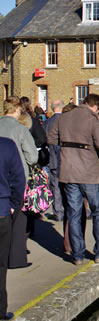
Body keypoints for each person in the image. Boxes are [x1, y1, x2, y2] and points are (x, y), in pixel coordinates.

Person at [46, 94, 99, 265]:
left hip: (68, 171)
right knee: (98, 211)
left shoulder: (64, 117)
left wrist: (67, 145)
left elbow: (51, 138)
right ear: (96, 107)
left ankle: (77, 255)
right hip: (88, 171)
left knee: (74, 213)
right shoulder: (92, 119)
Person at [0, 97, 38, 270]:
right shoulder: (20, 129)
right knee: (18, 220)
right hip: (17, 177)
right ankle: (16, 259)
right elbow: (32, 156)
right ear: (16, 110)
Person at [0, 137, 26, 321]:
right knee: (0, 265)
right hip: (1, 211)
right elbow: (19, 178)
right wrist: (14, 204)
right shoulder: (7, 145)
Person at [44, 100, 65, 222]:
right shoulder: (67, 121)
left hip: (52, 159)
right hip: (66, 158)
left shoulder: (47, 123)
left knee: (55, 186)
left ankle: (58, 212)